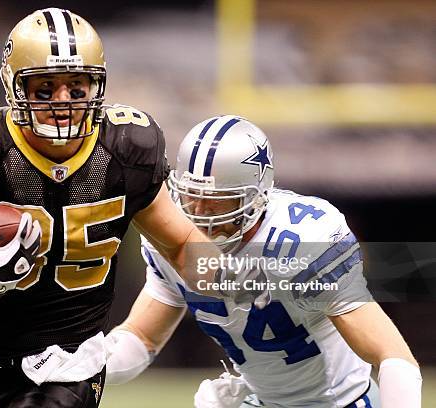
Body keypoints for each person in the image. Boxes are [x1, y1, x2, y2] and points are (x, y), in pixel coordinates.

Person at [0, 8, 230, 408]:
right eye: (45, 88)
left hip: (72, 365)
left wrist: (246, 288)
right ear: (14, 87)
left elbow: (183, 243)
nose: (63, 103)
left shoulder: (127, 148)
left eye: (76, 88)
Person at [104, 115, 422, 408]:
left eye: (216, 200)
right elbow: (142, 338)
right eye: (191, 195)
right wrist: (90, 363)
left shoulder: (302, 240)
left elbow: (393, 357)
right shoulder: (170, 237)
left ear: (256, 195)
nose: (199, 213)